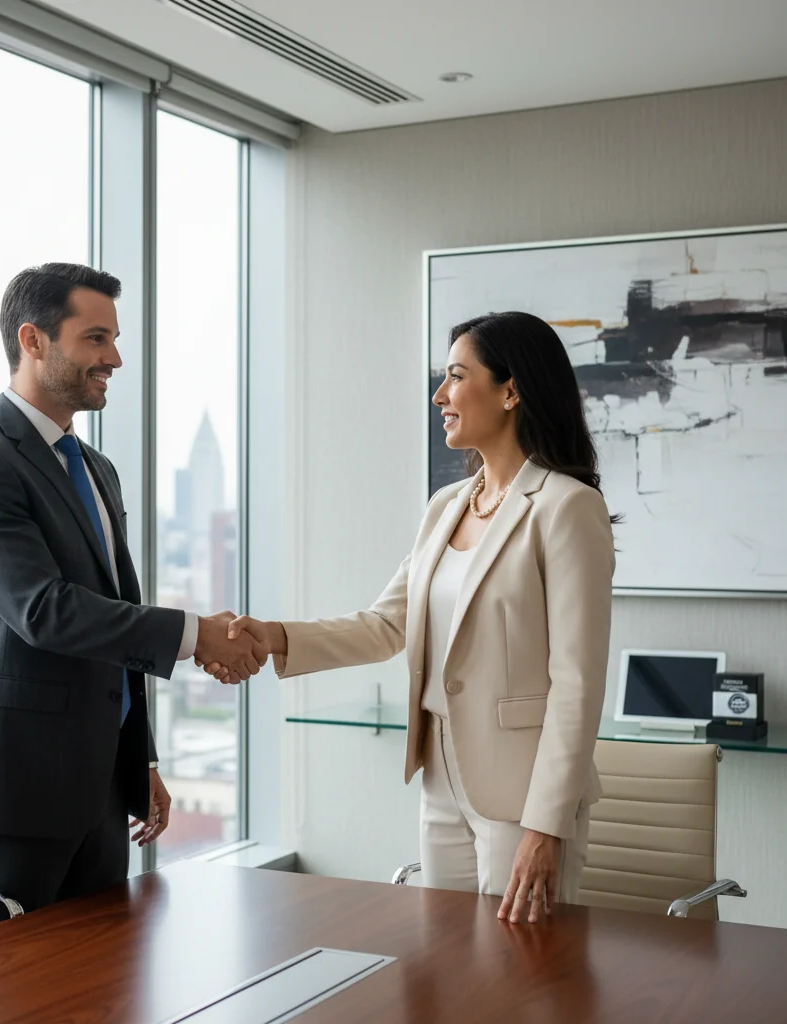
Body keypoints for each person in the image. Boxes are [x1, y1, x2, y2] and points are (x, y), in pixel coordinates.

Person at [204, 311, 616, 924]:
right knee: (449, 970)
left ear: (511, 390)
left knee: (521, 979)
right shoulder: (446, 505)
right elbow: (386, 624)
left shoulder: (565, 508)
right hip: (441, 780)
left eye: (455, 376)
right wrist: (277, 636)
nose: (440, 394)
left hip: (521, 794)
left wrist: (546, 825)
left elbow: (577, 683)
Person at [0, 263, 266, 934]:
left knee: (103, 990)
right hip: (10, 793)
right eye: (95, 338)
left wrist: (138, 760)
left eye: (114, 338)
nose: (114, 357)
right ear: (33, 340)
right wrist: (199, 636)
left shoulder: (95, 468)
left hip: (101, 792)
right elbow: (43, 612)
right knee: (3, 997)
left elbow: (111, 617)